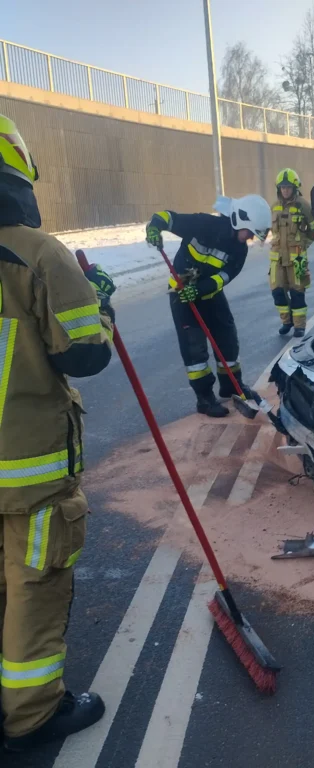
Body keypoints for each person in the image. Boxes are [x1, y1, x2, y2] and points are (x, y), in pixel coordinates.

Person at [0, 114, 116, 752]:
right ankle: (34, 714)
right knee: (34, 586)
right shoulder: (38, 252)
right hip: (29, 468)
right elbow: (84, 354)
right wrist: (98, 299)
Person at [146, 194, 271, 417]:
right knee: (195, 349)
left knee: (227, 337)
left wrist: (201, 290)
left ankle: (231, 384)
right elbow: (168, 217)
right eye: (250, 232)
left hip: (209, 294)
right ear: (240, 221)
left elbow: (223, 277)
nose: (250, 238)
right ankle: (204, 399)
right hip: (182, 293)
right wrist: (154, 227)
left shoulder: (239, 250)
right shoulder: (204, 224)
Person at [270, 169, 314, 337]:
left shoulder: (302, 205)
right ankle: (286, 321)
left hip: (297, 256)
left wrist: (306, 243)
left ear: (295, 188)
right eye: (282, 187)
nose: (285, 190)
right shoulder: (274, 205)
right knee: (277, 290)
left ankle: (299, 326)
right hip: (277, 257)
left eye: (288, 187)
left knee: (298, 291)